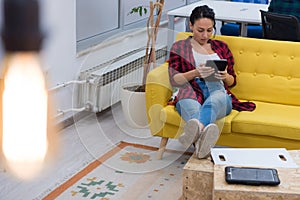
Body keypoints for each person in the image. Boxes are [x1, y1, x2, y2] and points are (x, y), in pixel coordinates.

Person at [168, 5, 256, 159]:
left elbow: (232, 81)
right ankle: (202, 141)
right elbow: (174, 80)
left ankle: (195, 132)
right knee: (189, 105)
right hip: (190, 90)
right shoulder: (180, 47)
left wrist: (224, 75)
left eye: (210, 30)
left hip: (217, 90)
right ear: (191, 25)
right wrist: (195, 72)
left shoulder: (221, 47)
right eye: (200, 30)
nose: (205, 35)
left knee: (216, 99)